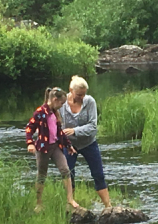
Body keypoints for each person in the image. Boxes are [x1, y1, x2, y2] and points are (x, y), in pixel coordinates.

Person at [60, 75, 112, 208]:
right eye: (79, 94)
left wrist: (75, 130)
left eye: (84, 94)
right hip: (69, 144)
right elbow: (56, 123)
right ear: (71, 90)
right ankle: (70, 203)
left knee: (98, 174)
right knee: (68, 174)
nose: (82, 97)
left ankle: (108, 206)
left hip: (89, 143)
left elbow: (93, 126)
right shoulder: (62, 103)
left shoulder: (90, 102)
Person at [25, 87, 78, 212]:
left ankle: (70, 199)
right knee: (42, 175)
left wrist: (68, 145)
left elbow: (59, 132)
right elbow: (29, 128)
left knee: (65, 170)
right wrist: (30, 143)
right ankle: (38, 203)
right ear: (54, 100)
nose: (62, 105)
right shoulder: (40, 112)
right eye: (61, 103)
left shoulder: (55, 114)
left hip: (55, 147)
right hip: (42, 148)